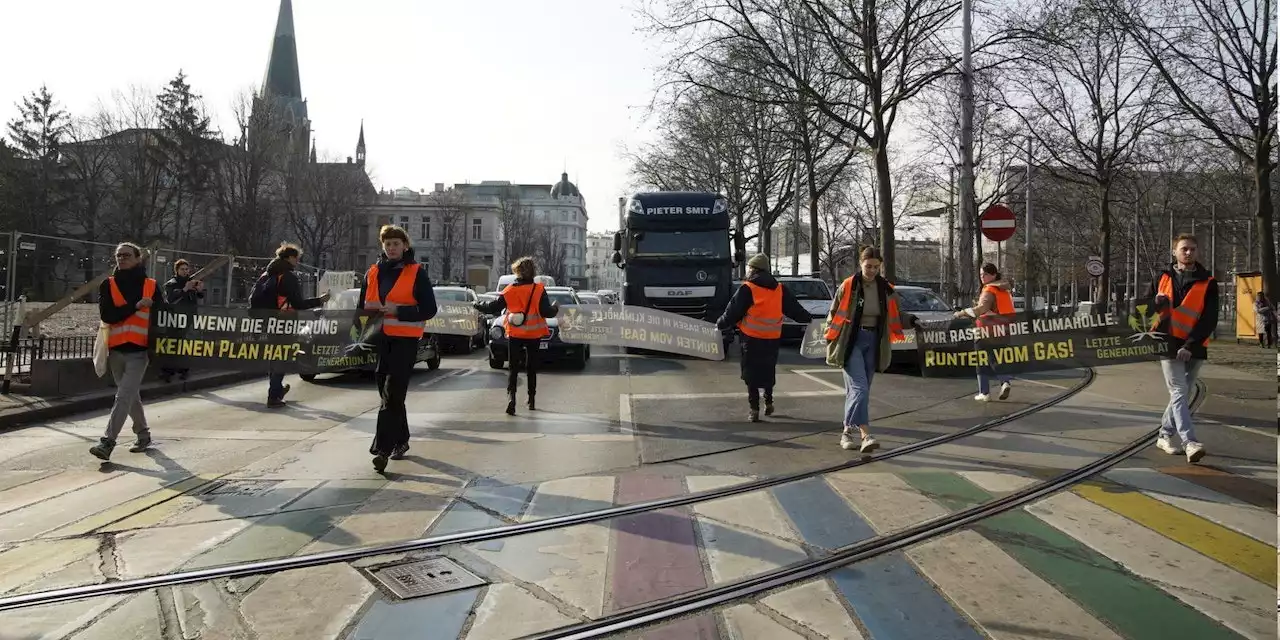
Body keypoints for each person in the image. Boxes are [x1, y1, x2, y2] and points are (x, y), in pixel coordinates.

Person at [824, 246, 920, 453]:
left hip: (875, 341)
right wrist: (831, 338)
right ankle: (864, 434)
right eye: (868, 266)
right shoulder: (848, 285)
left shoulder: (886, 288)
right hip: (851, 341)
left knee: (859, 391)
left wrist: (910, 320)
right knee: (861, 389)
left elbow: (896, 314)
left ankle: (848, 433)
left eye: (876, 267)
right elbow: (834, 314)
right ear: (861, 264)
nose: (872, 271)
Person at [358, 225, 438, 472]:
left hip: (405, 341)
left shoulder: (416, 272)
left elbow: (429, 309)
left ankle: (382, 450)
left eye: (396, 243)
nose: (392, 248)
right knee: (387, 393)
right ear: (383, 246)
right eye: (388, 244)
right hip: (379, 340)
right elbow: (362, 308)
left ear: (405, 245)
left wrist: (399, 311)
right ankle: (401, 440)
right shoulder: (372, 273)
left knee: (392, 395)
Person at [716, 253, 813, 422]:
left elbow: (733, 311)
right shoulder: (779, 289)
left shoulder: (748, 288)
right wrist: (809, 320)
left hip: (751, 338)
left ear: (752, 269)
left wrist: (720, 324)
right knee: (768, 370)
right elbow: (794, 309)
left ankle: (754, 409)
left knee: (750, 373)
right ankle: (769, 401)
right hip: (772, 338)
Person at [1148, 233, 1217, 463]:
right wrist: (1154, 305)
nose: (1188, 253)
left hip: (1194, 345)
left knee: (1183, 393)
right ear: (1174, 252)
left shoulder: (1209, 282)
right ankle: (1190, 442)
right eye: (1184, 249)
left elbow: (1209, 318)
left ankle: (1164, 434)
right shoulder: (1162, 277)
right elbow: (1146, 308)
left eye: (1192, 249)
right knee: (1178, 391)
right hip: (1167, 342)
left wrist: (1190, 344)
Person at [89, 242, 158, 461]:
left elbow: (165, 319)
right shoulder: (108, 284)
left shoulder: (152, 285)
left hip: (140, 351)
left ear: (138, 258)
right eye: (118, 256)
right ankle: (143, 434)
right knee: (130, 396)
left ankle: (107, 442)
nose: (121, 259)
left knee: (123, 396)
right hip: (116, 351)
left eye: (127, 255)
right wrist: (135, 306)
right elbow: (108, 315)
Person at [475, 256, 558, 416]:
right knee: (531, 367)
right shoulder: (539, 290)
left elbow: (493, 307)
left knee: (513, 368)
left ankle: (511, 399)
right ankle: (531, 399)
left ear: (517, 273)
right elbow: (546, 312)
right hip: (534, 334)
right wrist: (555, 308)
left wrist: (477, 305)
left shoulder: (510, 290)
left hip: (515, 333)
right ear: (533, 273)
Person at [250, 242, 328, 408]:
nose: (297, 261)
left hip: (268, 322)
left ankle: (276, 390)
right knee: (282, 358)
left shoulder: (266, 275)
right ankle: (274, 395)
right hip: (285, 322)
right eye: (296, 258)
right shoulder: (288, 277)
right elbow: (298, 303)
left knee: (275, 356)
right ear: (290, 258)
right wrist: (319, 300)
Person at [954, 263, 1015, 401]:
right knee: (997, 357)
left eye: (985, 274)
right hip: (1002, 330)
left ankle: (985, 392)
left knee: (981, 359)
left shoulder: (989, 290)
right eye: (981, 275)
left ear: (993, 275)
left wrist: (961, 313)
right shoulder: (1004, 289)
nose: (982, 277)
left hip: (985, 330)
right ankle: (1004, 382)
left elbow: (981, 309)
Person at [160, 258, 204, 383]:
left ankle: (184, 370)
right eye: (182, 269)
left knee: (186, 344)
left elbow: (198, 296)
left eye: (186, 269)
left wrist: (199, 290)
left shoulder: (192, 282)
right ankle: (167, 372)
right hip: (174, 318)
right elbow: (171, 298)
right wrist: (184, 289)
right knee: (172, 344)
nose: (185, 271)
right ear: (177, 270)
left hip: (189, 318)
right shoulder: (171, 283)